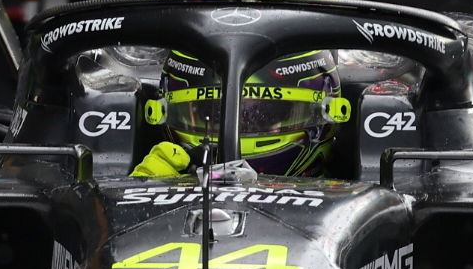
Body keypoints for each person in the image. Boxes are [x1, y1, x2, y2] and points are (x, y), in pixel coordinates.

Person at [131, 48, 346, 177]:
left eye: (267, 115)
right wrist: (144, 189)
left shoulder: (353, 203)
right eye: (212, 116)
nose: (237, 132)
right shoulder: (158, 176)